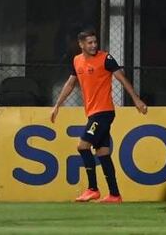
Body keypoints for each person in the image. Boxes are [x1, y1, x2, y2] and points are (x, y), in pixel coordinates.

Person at [50, 29, 148, 203]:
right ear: (81, 44)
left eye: (95, 42)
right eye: (90, 42)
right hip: (92, 113)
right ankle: (114, 194)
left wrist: (137, 100)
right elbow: (71, 83)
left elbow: (122, 79)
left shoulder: (106, 59)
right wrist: (57, 105)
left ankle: (92, 189)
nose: (94, 45)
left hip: (103, 113)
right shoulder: (77, 61)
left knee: (82, 147)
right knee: (103, 153)